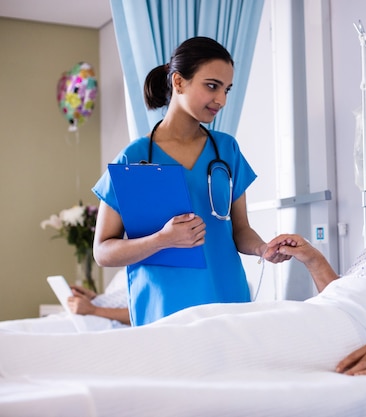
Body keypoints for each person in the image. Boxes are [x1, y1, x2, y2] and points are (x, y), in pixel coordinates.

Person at [0, 116, 366, 379]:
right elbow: (355, 293)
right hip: (336, 310)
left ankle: (30, 367)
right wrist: (314, 260)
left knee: (206, 343)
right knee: (196, 329)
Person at [91, 37, 290, 326]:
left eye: (226, 89)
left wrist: (263, 249)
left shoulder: (227, 150)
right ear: (179, 82)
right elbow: (103, 252)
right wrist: (163, 239)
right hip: (163, 307)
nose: (221, 99)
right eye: (212, 85)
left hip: (226, 298)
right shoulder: (133, 158)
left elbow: (240, 229)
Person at [0, 270, 129, 333]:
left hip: (102, 322)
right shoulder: (126, 269)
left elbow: (143, 314)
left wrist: (93, 310)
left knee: (22, 331)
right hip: (91, 314)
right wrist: (92, 298)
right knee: (15, 329)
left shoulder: (146, 272)